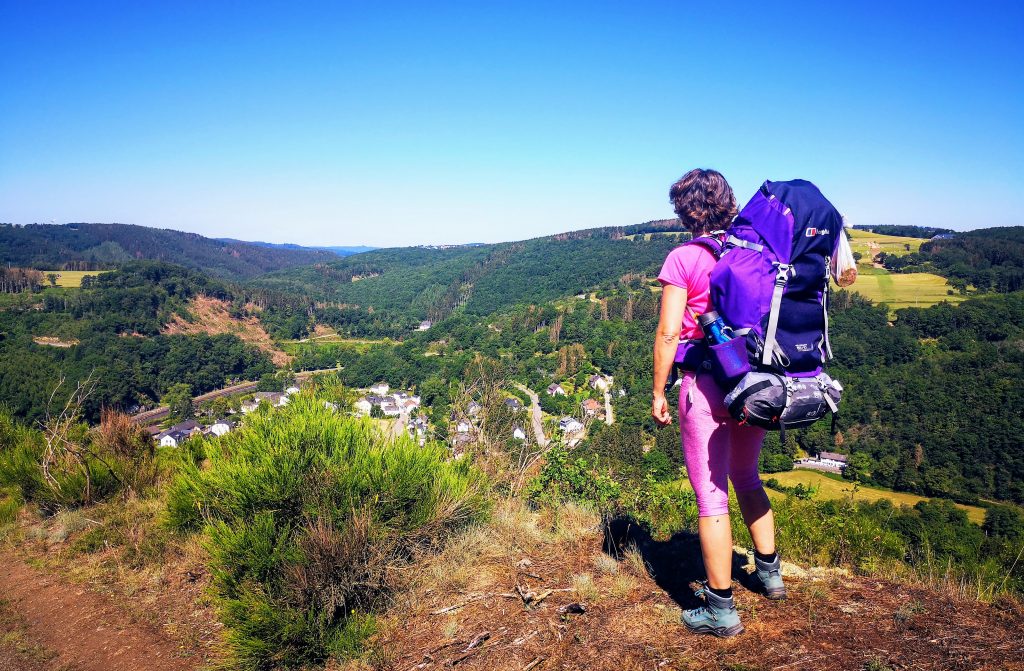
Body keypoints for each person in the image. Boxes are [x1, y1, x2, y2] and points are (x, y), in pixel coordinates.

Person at [651, 168, 784, 638]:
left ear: (685, 210)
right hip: (755, 385)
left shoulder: (684, 257)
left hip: (707, 382)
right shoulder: (755, 252)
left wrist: (657, 391)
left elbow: (669, 333)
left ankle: (720, 610)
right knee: (747, 475)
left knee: (712, 499)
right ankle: (770, 575)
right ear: (728, 203)